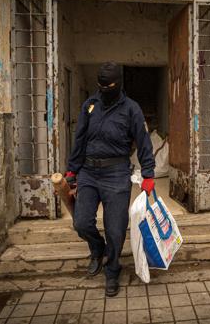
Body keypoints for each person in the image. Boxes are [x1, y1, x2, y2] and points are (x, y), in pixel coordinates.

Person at [65, 61, 155, 297]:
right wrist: (72, 171)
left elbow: (143, 142)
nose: (104, 89)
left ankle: (112, 270)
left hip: (116, 174)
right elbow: (80, 139)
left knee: (115, 229)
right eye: (100, 85)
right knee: (81, 222)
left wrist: (149, 173)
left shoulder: (131, 109)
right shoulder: (90, 105)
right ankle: (97, 249)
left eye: (110, 85)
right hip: (88, 173)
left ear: (119, 84)